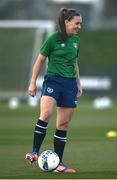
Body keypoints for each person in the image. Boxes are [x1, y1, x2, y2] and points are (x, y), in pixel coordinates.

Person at [25, 8, 82, 173]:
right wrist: (32, 83)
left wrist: (78, 83)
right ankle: (34, 152)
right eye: (77, 23)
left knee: (63, 125)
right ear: (67, 22)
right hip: (53, 81)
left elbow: (74, 62)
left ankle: (58, 164)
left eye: (80, 23)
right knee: (46, 114)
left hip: (70, 84)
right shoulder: (53, 39)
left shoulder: (77, 40)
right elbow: (39, 60)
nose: (79, 26)